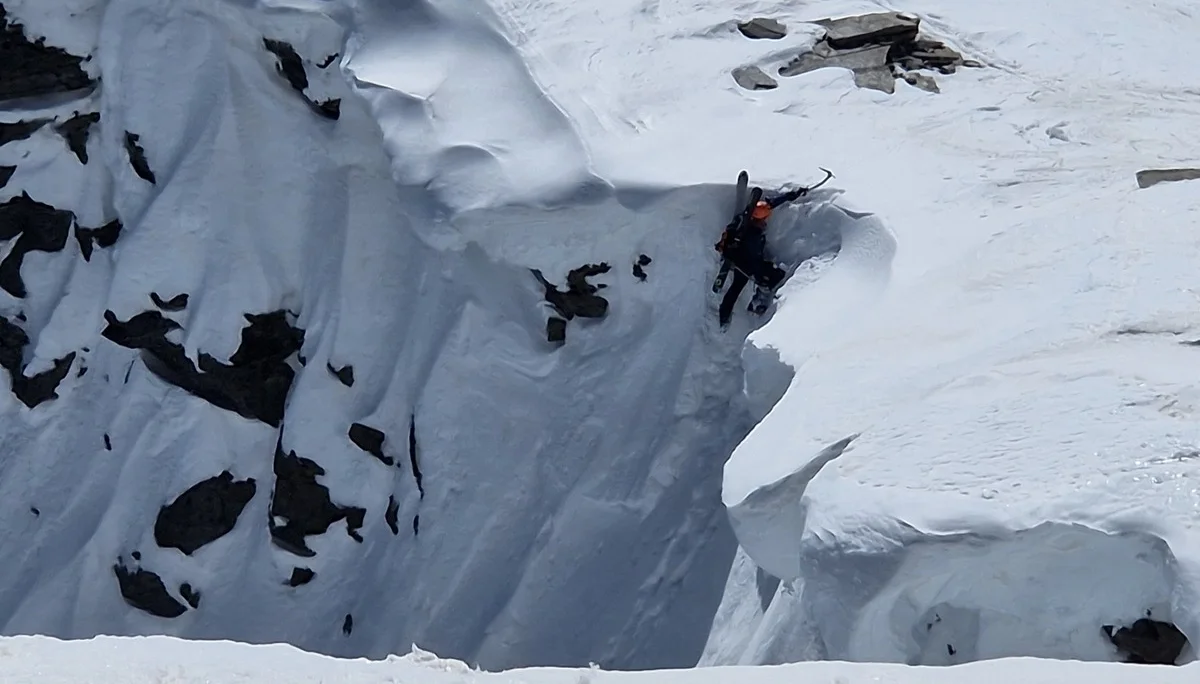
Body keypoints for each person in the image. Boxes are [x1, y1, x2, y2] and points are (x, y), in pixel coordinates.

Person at [714, 186, 807, 328]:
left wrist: (792, 195)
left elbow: (770, 204)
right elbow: (752, 259)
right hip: (745, 265)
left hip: (745, 261)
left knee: (735, 291)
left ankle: (725, 317)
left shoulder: (749, 215)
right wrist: (759, 275)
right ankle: (756, 305)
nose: (766, 221)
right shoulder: (752, 235)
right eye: (764, 219)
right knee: (772, 278)